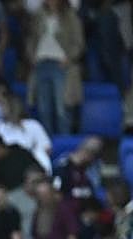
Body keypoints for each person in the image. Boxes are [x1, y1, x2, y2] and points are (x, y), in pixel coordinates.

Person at [26, 0, 83, 137]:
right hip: (41, 63)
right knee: (44, 109)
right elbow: (31, 38)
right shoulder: (39, 15)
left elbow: (79, 42)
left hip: (60, 65)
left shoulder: (70, 16)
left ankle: (64, 142)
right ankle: (47, 143)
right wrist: (31, 55)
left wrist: (69, 58)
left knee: (61, 109)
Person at [0, 95, 51, 174]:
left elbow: (46, 148)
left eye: (3, 105)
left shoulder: (32, 124)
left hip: (32, 164)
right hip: (5, 166)